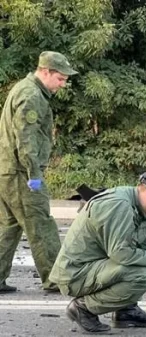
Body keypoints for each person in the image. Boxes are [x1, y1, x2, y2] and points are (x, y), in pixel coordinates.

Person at [49, 171, 146, 333]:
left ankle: (126, 311)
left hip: (95, 266)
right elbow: (121, 253)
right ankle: (83, 308)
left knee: (143, 261)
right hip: (75, 274)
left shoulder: (140, 207)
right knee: (142, 275)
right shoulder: (119, 205)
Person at [0, 51, 78, 293]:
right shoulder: (32, 95)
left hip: (8, 171)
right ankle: (56, 279)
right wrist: (34, 174)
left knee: (9, 226)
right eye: (60, 78)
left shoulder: (24, 89)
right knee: (41, 225)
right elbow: (26, 138)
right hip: (22, 173)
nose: (63, 84)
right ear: (46, 72)